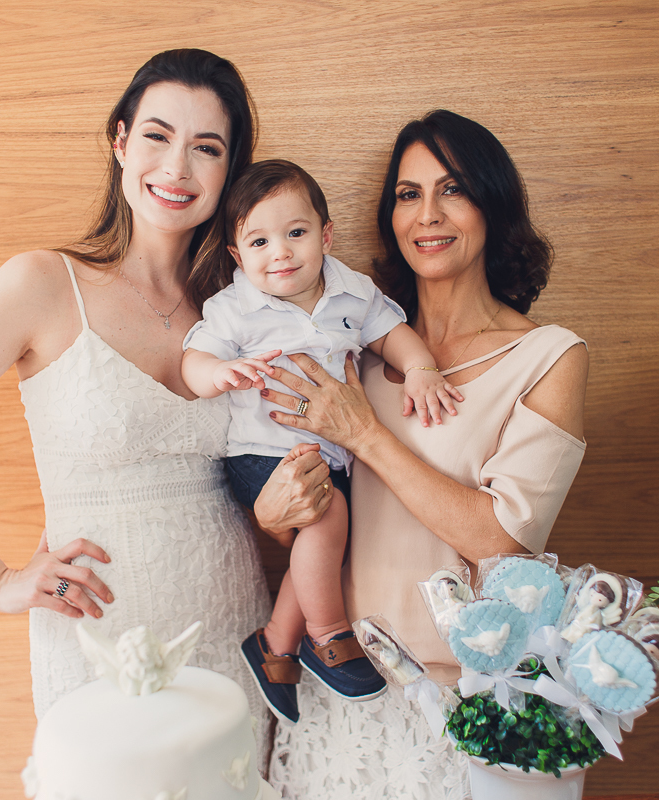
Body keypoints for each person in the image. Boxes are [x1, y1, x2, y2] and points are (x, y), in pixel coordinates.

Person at [0, 50, 322, 753]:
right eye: (158, 137)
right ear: (121, 141)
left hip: (234, 630)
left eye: (207, 149)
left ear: (230, 173)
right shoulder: (42, 284)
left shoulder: (240, 309)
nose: (177, 169)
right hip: (98, 639)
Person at [257, 110, 589, 799]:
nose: (428, 214)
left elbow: (504, 540)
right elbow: (319, 514)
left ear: (492, 206)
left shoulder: (548, 356)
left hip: (460, 705)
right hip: (339, 693)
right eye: (409, 194)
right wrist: (272, 514)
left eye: (453, 189)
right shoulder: (352, 351)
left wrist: (367, 435)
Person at [180, 159, 463, 725]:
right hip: (262, 452)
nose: (280, 252)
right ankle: (327, 634)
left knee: (327, 541)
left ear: (325, 236)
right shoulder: (235, 307)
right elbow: (193, 361)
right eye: (259, 241)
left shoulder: (352, 291)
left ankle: (273, 647)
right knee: (327, 520)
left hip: (330, 451)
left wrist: (422, 370)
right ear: (238, 256)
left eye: (296, 233)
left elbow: (393, 335)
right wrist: (219, 375)